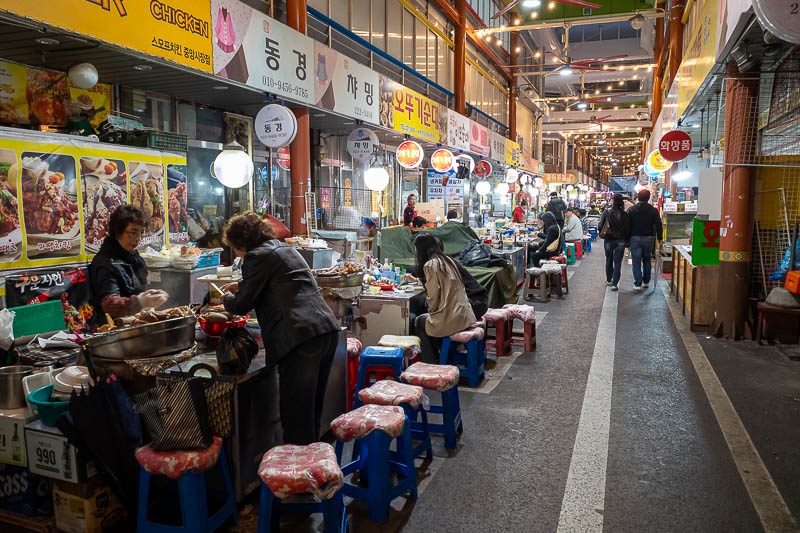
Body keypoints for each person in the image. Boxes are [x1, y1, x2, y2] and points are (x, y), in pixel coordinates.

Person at [221, 212, 340, 445]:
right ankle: (313, 472)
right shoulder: (283, 249)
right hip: (324, 331)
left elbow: (241, 306)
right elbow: (278, 282)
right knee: (311, 413)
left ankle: (297, 475)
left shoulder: (256, 256)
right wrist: (242, 285)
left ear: (242, 241)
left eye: (234, 248)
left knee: (296, 419)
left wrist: (224, 296)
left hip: (300, 339)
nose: (235, 254)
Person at [89, 204, 169, 320]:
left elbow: (137, 291)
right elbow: (110, 304)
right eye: (133, 232)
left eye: (141, 233)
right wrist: (140, 301)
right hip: (113, 330)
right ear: (118, 233)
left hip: (134, 324)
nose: (138, 238)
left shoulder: (135, 259)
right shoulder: (105, 262)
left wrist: (148, 296)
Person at [412, 233, 476, 363]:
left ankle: (430, 362)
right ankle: (440, 356)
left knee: (419, 321)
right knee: (427, 320)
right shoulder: (447, 260)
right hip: (465, 314)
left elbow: (433, 298)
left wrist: (430, 309)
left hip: (452, 318)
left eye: (416, 248)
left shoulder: (430, 265)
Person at [627, 189, 663, 290]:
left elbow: (627, 225)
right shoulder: (653, 210)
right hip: (649, 238)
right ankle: (646, 282)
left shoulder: (632, 210)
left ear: (638, 197)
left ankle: (638, 284)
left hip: (635, 237)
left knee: (636, 261)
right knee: (647, 259)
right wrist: (660, 238)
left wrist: (627, 239)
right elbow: (658, 225)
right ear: (649, 198)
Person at [598, 193, 631, 291]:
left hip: (609, 239)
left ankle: (609, 279)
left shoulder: (607, 212)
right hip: (620, 240)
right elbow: (628, 229)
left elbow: (600, 226)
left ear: (613, 201)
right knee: (617, 262)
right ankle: (615, 284)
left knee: (609, 259)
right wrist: (627, 241)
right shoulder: (624, 214)